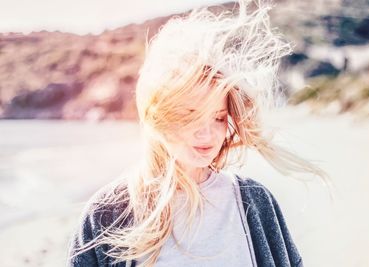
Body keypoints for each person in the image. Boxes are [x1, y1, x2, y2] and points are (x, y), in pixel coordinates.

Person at [67, 0, 332, 266]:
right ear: (157, 115)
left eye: (218, 117)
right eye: (190, 116)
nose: (207, 134)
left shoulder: (253, 200)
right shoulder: (107, 214)